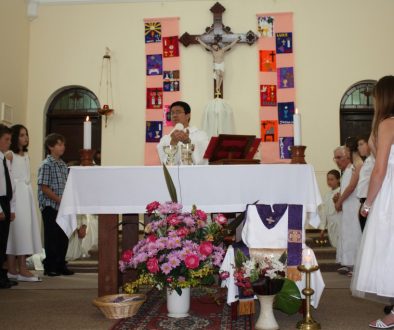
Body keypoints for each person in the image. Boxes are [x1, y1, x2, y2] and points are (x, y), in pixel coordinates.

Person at [351, 75, 394, 328]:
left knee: (388, 248)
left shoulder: (387, 123)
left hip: (389, 193)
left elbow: (379, 170)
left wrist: (367, 203)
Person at [6, 125, 42, 282]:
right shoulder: (9, 155)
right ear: (15, 137)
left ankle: (20, 267)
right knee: (16, 232)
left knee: (24, 230)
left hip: (25, 195)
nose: (25, 138)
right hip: (15, 195)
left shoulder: (26, 155)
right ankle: (14, 268)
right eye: (21, 135)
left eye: (26, 134)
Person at [37, 133, 73, 276]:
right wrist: (59, 199)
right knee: (51, 236)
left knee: (62, 235)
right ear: (50, 147)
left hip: (62, 206)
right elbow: (44, 187)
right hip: (50, 206)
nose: (62, 147)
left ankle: (60, 264)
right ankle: (50, 265)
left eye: (63, 144)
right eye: (59, 144)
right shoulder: (46, 164)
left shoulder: (63, 165)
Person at [333, 146, 362, 276]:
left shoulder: (353, 168)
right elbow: (344, 189)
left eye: (339, 157)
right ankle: (347, 262)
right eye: (335, 158)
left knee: (354, 234)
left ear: (347, 156)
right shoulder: (345, 171)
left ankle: (355, 265)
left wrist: (340, 201)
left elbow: (351, 188)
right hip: (346, 206)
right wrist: (338, 197)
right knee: (346, 234)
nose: (336, 160)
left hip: (353, 206)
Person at [157, 101, 209, 165]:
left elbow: (203, 162)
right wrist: (173, 144)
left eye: (178, 112)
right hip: (173, 174)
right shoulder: (165, 139)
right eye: (172, 113)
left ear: (188, 116)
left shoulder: (200, 136)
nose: (174, 115)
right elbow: (167, 166)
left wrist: (187, 144)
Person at [0, 124, 16, 289]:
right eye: (6, 139)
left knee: (3, 241)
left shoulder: (4, 159)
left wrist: (11, 208)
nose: (9, 143)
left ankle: (2, 275)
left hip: (5, 201)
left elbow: (9, 184)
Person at [355, 136, 374, 232]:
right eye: (358, 145)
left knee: (368, 232)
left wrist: (366, 206)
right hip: (363, 201)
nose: (358, 147)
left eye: (361, 144)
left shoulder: (374, 160)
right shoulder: (367, 160)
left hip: (369, 201)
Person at [318, 169, 341, 248]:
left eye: (332, 179)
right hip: (331, 226)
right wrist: (323, 227)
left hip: (339, 224)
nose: (329, 182)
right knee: (334, 245)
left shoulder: (341, 192)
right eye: (328, 179)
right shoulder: (327, 195)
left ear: (338, 180)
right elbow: (324, 212)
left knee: (340, 246)